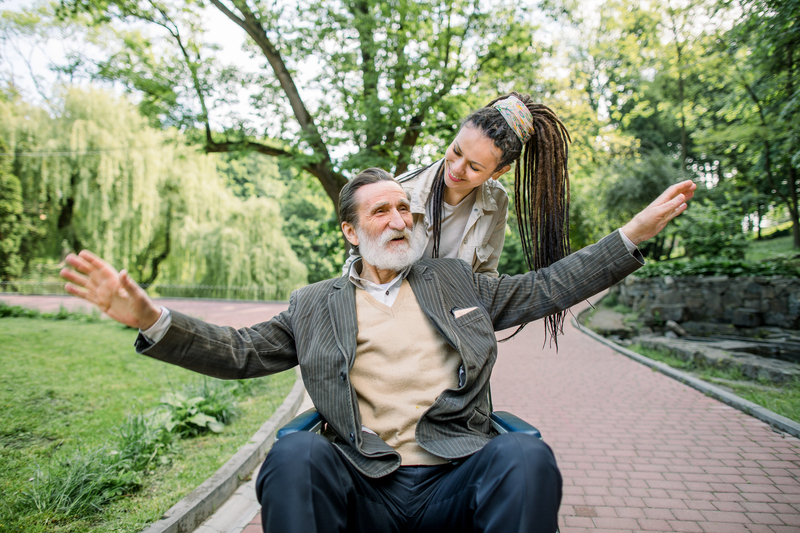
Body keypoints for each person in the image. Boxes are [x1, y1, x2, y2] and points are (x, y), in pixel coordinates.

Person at [60, 168, 696, 533]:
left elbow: (546, 287)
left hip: (454, 473)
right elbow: (239, 352)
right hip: (363, 482)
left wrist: (631, 235)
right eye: (382, 211)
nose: (400, 220)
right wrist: (150, 318)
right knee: (295, 455)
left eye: (406, 209)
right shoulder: (315, 303)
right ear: (350, 229)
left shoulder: (455, 281)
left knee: (525, 457)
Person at [345, 92, 571, 339]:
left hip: (453, 330)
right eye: (456, 150)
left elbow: (485, 276)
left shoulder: (496, 201)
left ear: (499, 171)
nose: (457, 168)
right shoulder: (402, 192)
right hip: (393, 325)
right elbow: (359, 267)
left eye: (474, 167)